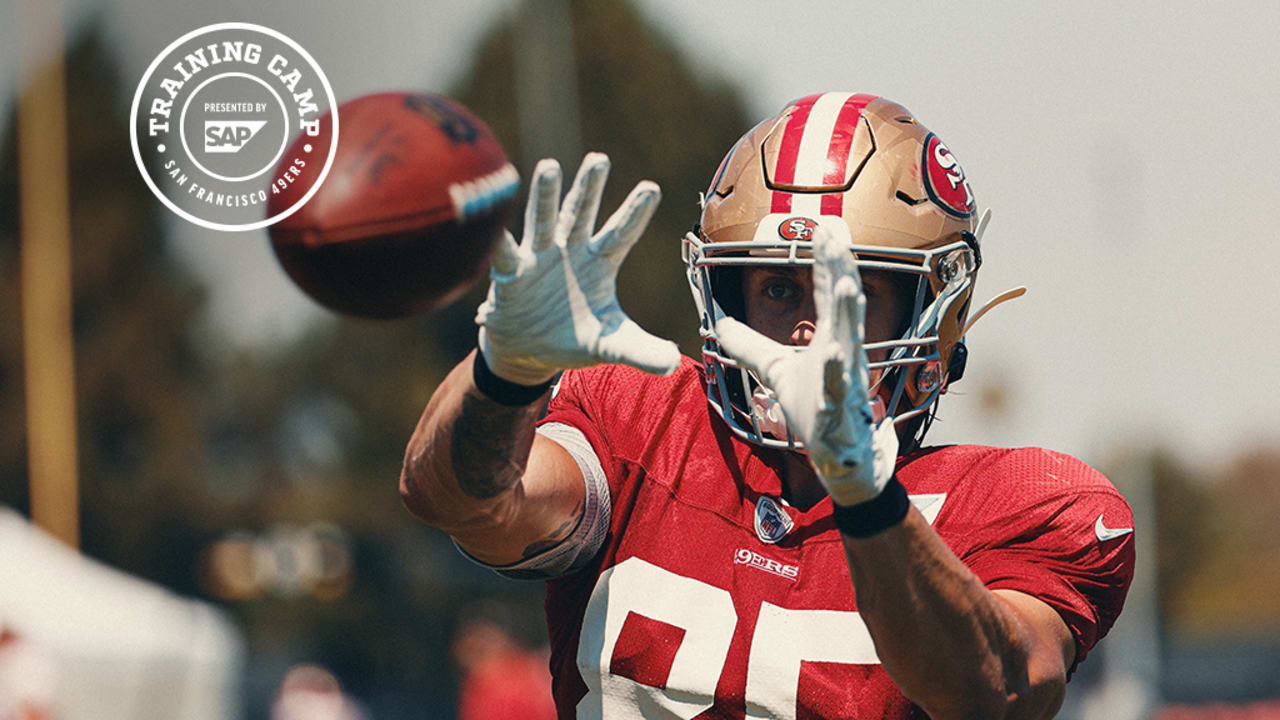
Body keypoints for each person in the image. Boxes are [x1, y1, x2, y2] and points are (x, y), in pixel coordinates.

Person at [400, 92, 1135, 719]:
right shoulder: (642, 422)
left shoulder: (1028, 502)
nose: (810, 328)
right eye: (779, 289)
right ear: (728, 296)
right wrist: (504, 376)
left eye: (851, 289)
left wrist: (868, 500)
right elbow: (465, 504)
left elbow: (995, 694)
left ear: (930, 316)